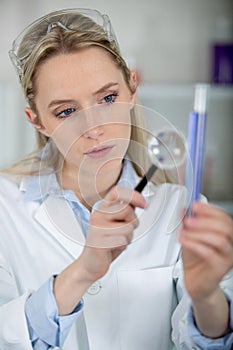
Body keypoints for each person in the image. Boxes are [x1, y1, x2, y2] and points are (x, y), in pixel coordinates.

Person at [0, 7, 232, 350]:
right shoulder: (5, 209)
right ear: (37, 121)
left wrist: (206, 297)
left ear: (132, 91)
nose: (94, 129)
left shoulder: (179, 208)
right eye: (66, 111)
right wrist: (81, 272)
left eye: (108, 98)